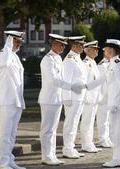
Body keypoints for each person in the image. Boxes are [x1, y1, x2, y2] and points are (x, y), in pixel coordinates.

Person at [38, 34, 83, 165]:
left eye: (64, 45)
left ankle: (51, 155)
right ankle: (46, 156)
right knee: (47, 129)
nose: (63, 47)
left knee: (53, 129)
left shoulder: (57, 58)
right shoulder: (48, 59)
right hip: (48, 98)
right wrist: (70, 86)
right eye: (60, 44)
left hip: (56, 98)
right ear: (53, 45)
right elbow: (53, 80)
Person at [0, 31, 26, 169]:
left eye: (19, 42)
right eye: (15, 41)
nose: (18, 45)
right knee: (5, 134)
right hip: (5, 100)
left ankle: (10, 159)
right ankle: (3, 163)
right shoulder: (1, 55)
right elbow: (6, 64)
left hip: (16, 100)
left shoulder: (15, 57)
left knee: (12, 134)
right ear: (8, 41)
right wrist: (8, 44)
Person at [102, 39, 120, 168]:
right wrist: (85, 86)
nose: (105, 51)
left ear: (111, 50)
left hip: (117, 104)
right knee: (119, 131)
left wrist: (114, 104)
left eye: (106, 48)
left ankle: (117, 159)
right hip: (116, 102)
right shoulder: (112, 63)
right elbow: (104, 80)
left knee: (116, 132)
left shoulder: (118, 64)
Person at [62, 36, 87, 159]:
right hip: (72, 97)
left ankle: (71, 147)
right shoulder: (69, 59)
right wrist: (66, 98)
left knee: (75, 123)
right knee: (70, 123)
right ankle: (67, 148)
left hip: (79, 96)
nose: (83, 47)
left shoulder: (77, 59)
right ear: (74, 45)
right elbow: (66, 80)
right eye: (80, 45)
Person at [80, 40, 102, 153]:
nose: (97, 50)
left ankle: (89, 142)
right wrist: (87, 97)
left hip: (94, 98)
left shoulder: (93, 62)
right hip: (88, 98)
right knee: (86, 122)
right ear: (88, 50)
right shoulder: (85, 63)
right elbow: (85, 83)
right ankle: (86, 143)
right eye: (94, 49)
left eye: (97, 48)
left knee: (91, 121)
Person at [96, 48, 113, 148]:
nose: (111, 54)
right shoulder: (102, 65)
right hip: (103, 96)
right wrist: (103, 96)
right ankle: (102, 139)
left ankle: (106, 138)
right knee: (102, 119)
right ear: (105, 53)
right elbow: (101, 83)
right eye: (109, 52)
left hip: (109, 96)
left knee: (106, 119)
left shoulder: (110, 64)